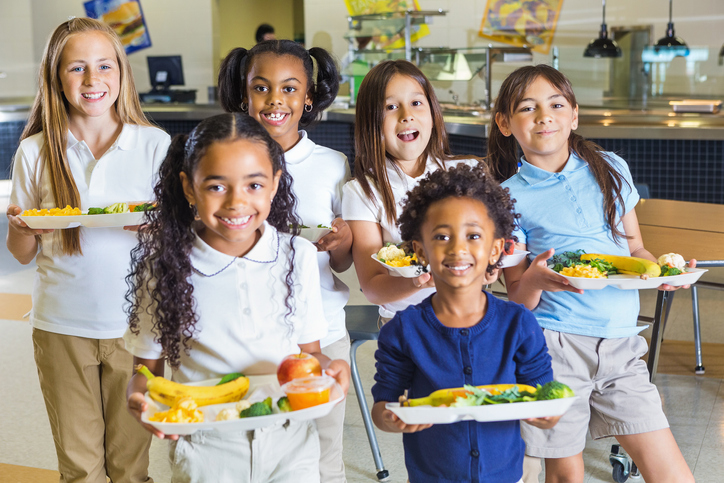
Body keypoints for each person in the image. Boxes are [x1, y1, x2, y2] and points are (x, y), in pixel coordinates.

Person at [489, 64, 695, 483]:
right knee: (568, 476)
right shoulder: (507, 197)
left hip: (623, 345)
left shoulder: (610, 166)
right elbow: (518, 299)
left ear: (574, 115)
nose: (544, 116)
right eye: (527, 108)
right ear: (505, 123)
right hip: (554, 347)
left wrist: (663, 271)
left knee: (673, 475)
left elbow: (635, 248)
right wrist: (536, 278)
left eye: (555, 104)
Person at [124, 113, 351, 483]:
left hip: (290, 442)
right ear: (188, 187)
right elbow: (144, 372)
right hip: (205, 447)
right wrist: (140, 398)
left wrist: (329, 368)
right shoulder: (164, 265)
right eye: (216, 186)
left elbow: (309, 355)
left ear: (275, 183)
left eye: (254, 185)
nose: (236, 202)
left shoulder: (298, 255)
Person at [5, 18, 170, 483]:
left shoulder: (154, 145)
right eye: (77, 68)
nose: (93, 80)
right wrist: (23, 226)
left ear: (121, 72)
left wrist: (160, 227)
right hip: (61, 326)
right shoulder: (36, 152)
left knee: (131, 467)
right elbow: (20, 253)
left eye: (104, 65)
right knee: (80, 468)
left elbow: (175, 240)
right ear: (56, 77)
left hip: (138, 327)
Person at [370, 164, 558, 482]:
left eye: (473, 236)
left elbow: (545, 394)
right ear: (420, 251)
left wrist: (547, 415)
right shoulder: (402, 330)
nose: (458, 248)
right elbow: (383, 406)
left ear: (496, 249)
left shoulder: (519, 324)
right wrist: (392, 417)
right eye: (442, 236)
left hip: (506, 476)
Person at [218, 40, 352, 482]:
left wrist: (343, 242)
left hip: (323, 331)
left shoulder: (333, 165)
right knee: (249, 456)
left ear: (308, 97)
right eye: (261, 87)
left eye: (290, 88)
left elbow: (343, 263)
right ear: (244, 95)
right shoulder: (225, 160)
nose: (276, 100)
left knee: (324, 456)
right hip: (247, 336)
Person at [342, 59, 483, 323]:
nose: (406, 115)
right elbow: (373, 286)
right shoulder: (362, 191)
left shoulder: (469, 170)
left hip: (472, 318)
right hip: (405, 325)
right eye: (391, 107)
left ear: (432, 113)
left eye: (416, 103)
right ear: (371, 122)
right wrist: (421, 282)